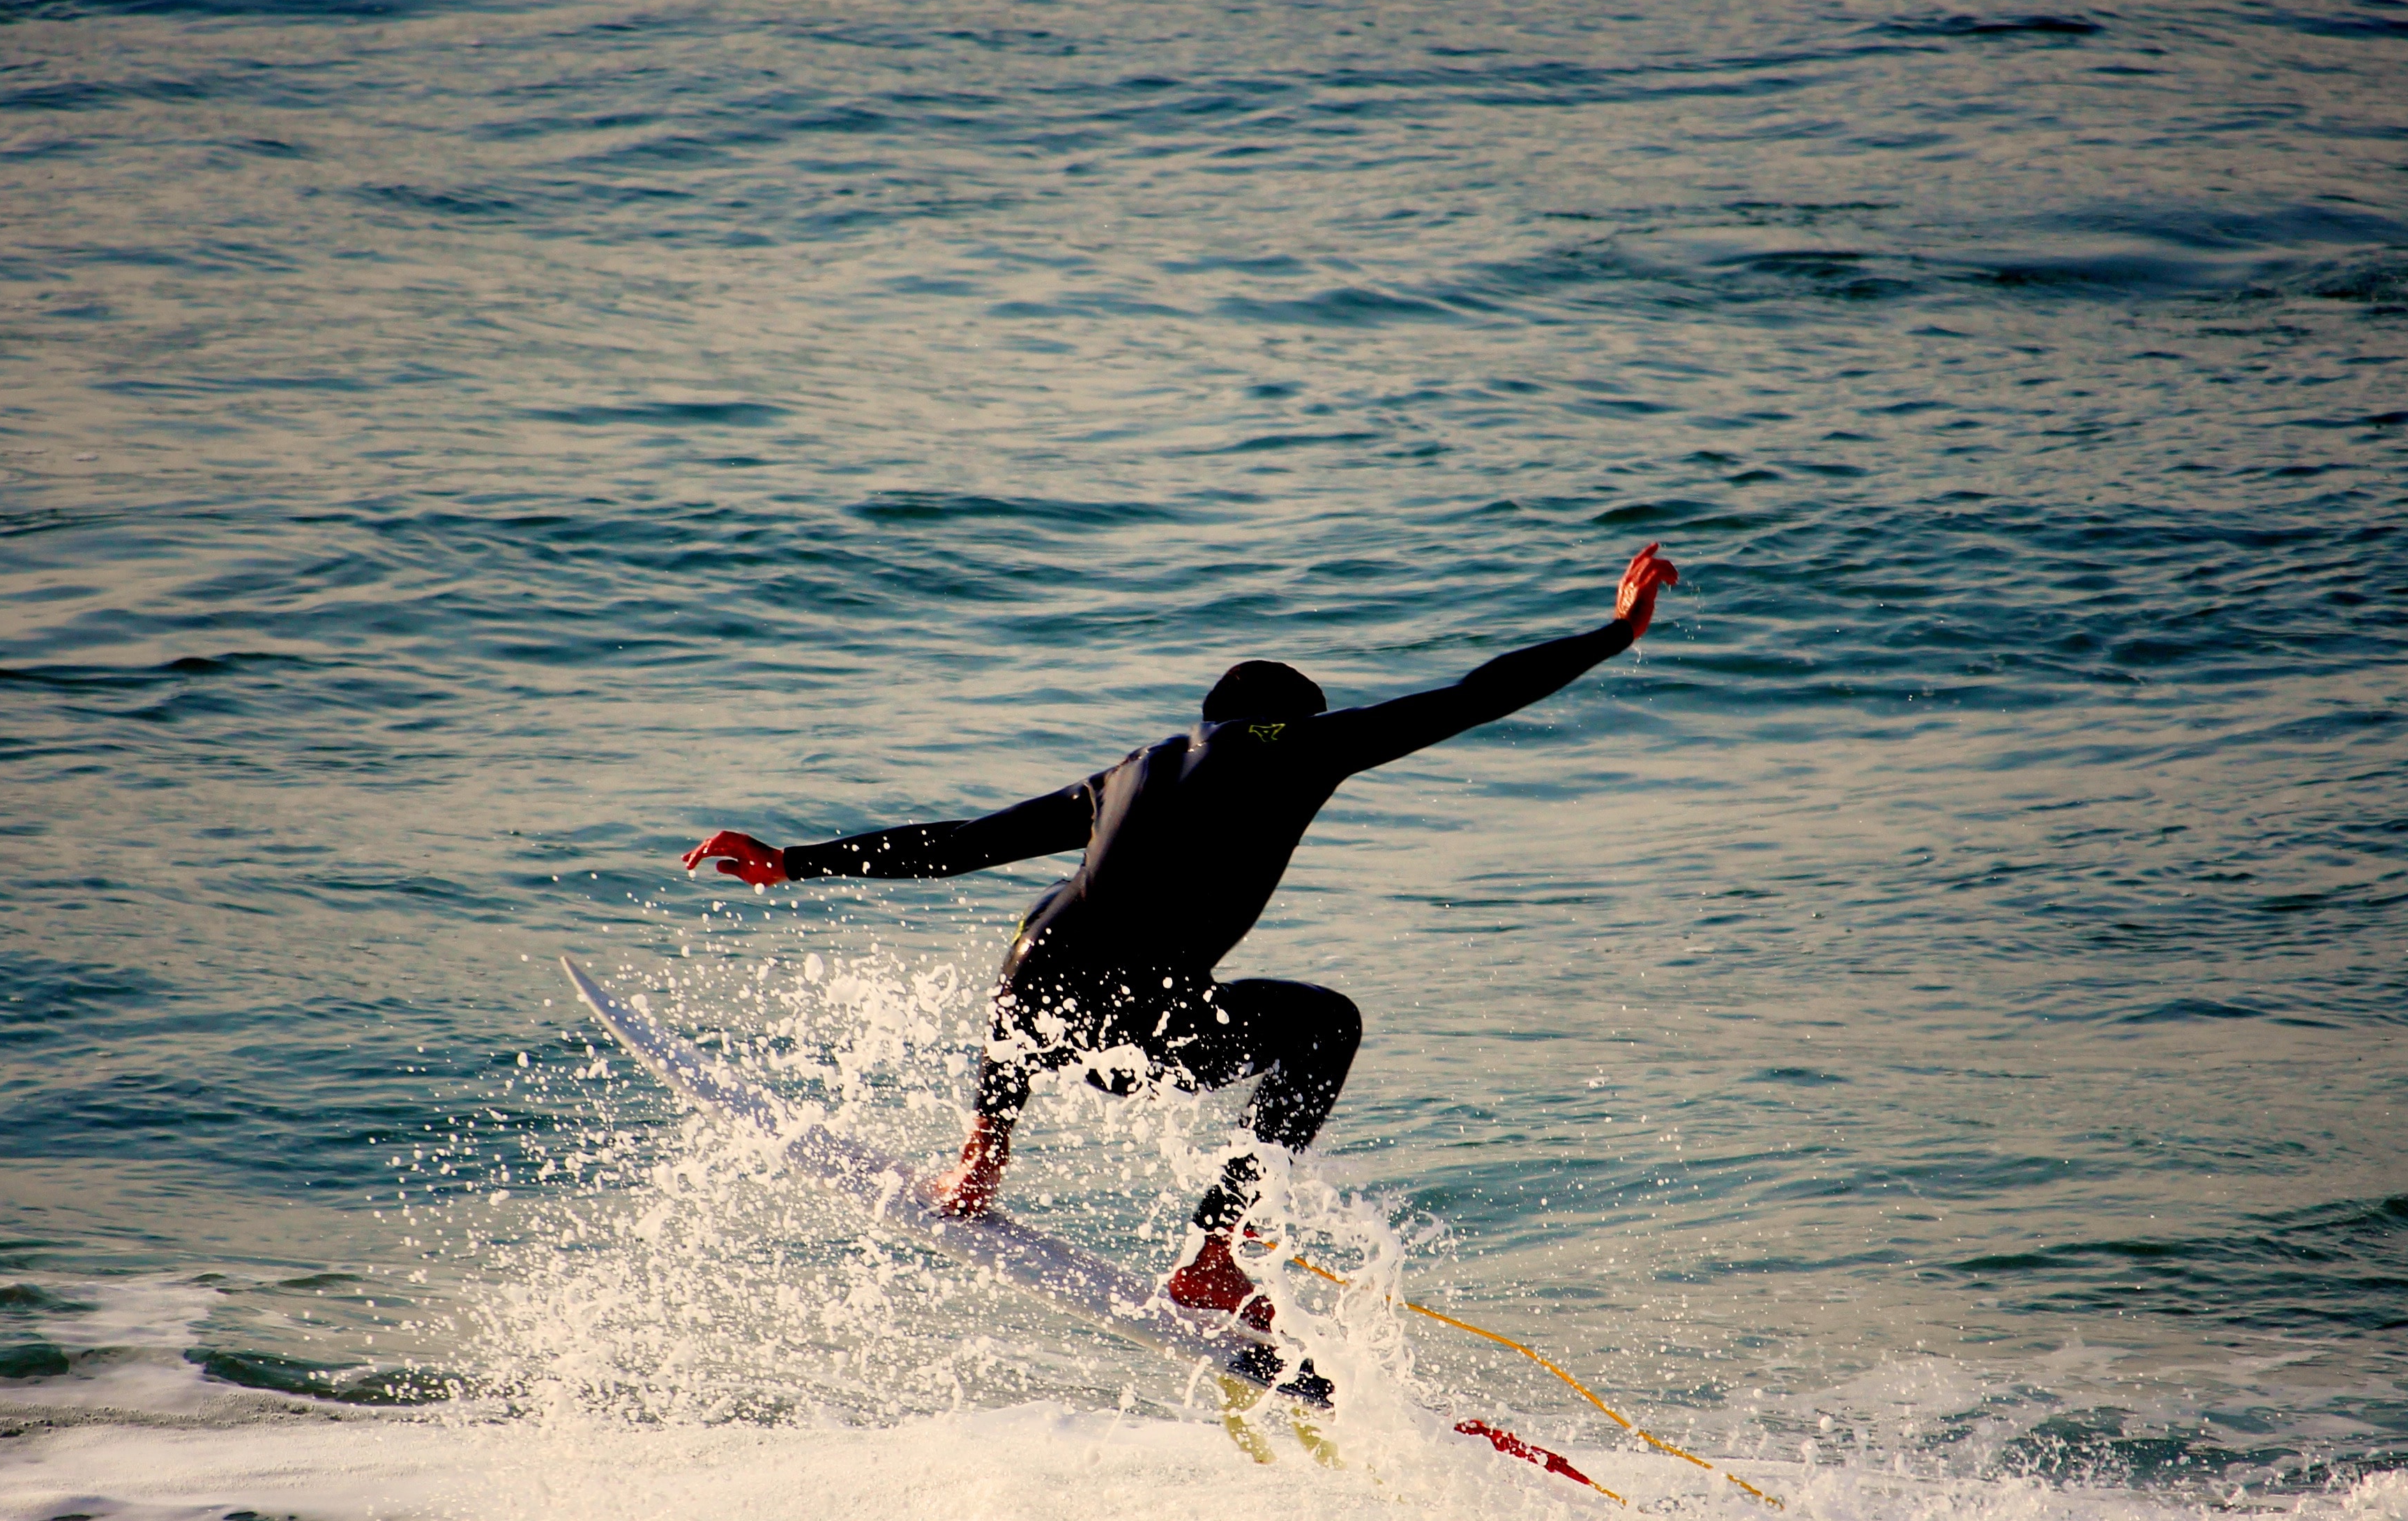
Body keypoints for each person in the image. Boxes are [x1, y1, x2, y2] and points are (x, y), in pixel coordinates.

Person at [683, 542, 1679, 1379]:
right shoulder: (1299, 745)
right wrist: (1614, 632)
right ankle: (1211, 1256)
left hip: (1050, 1017)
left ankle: (984, 1150)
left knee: (1049, 915)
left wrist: (794, 861)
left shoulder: (1125, 773)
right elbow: (1471, 695)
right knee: (1326, 1023)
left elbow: (965, 842)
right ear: (1291, 717)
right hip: (1147, 1029)